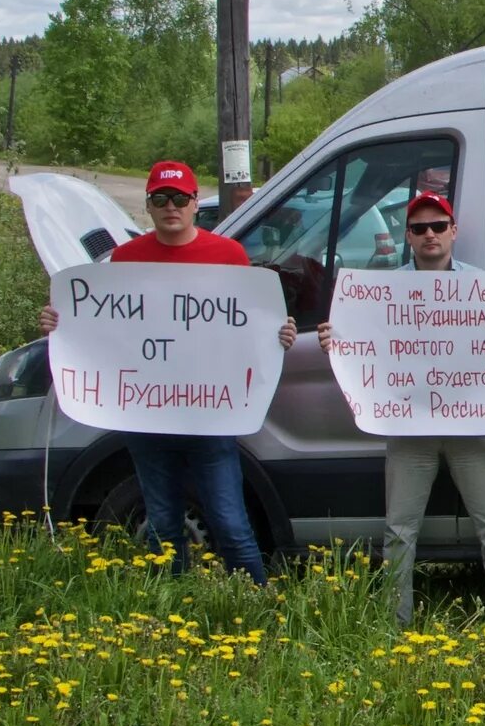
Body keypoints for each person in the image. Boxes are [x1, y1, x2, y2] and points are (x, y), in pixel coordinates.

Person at [37, 160, 296, 584]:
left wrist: (277, 334)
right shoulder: (126, 258)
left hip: (211, 416)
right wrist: (61, 323)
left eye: (179, 198)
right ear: (149, 207)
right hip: (147, 417)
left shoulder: (228, 255)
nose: (170, 206)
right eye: (160, 199)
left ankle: (255, 605)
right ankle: (171, 604)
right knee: (162, 524)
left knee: (230, 522)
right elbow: (105, 327)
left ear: (195, 203)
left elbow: (248, 321)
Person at [319, 190, 485, 629]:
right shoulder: (381, 293)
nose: (429, 234)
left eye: (437, 226)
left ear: (453, 231)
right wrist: (336, 342)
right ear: (408, 237)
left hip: (473, 427)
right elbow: (359, 341)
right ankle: (396, 626)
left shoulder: (482, 287)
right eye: (419, 228)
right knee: (399, 531)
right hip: (410, 430)